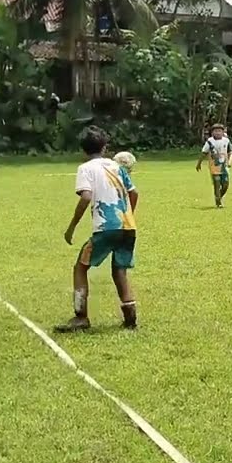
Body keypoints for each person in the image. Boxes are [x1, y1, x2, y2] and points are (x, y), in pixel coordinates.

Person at [56, 126, 139, 333]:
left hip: (106, 228)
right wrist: (128, 215)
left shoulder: (85, 168)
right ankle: (130, 319)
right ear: (105, 147)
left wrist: (72, 227)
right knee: (119, 270)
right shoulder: (117, 166)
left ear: (83, 150)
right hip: (127, 226)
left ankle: (80, 317)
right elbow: (134, 193)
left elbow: (86, 196)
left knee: (80, 266)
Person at [195, 123, 232, 208]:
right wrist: (199, 163)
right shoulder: (209, 142)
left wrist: (230, 161)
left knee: (225, 184)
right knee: (217, 183)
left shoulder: (226, 141)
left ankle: (219, 196)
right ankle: (218, 202)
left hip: (224, 166)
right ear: (212, 132)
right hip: (214, 166)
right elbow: (204, 153)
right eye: (215, 131)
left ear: (223, 132)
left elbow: (231, 152)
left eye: (219, 131)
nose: (217, 133)